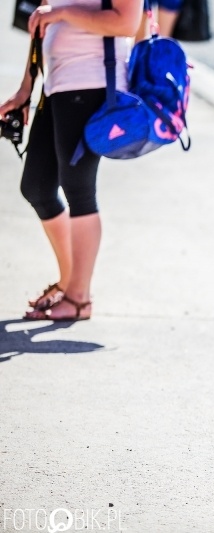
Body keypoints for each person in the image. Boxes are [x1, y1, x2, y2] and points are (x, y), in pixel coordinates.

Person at [0, 0, 143, 320]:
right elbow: (43, 21)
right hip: (57, 84)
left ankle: (79, 298)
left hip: (92, 82)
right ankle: (68, 283)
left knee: (78, 189)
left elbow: (126, 23)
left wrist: (62, 13)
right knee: (37, 187)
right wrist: (26, 87)